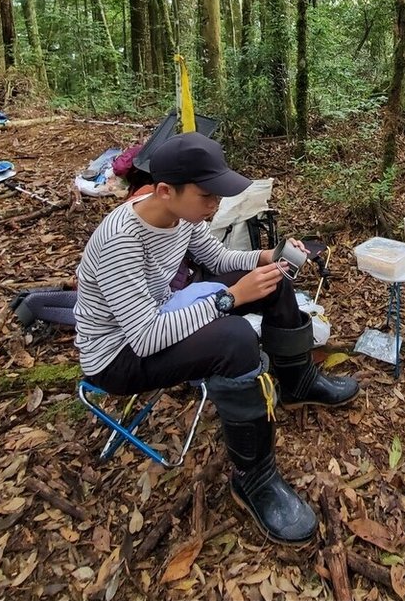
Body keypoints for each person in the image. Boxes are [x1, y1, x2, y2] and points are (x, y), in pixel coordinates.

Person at [74, 131, 359, 545]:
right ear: (166, 190)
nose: (215, 206)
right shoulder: (122, 239)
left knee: (272, 281)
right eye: (207, 197)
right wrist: (228, 299)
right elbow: (146, 337)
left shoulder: (180, 217)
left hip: (157, 316)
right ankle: (254, 478)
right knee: (235, 340)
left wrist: (267, 257)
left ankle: (298, 382)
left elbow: (220, 259)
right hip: (118, 355)